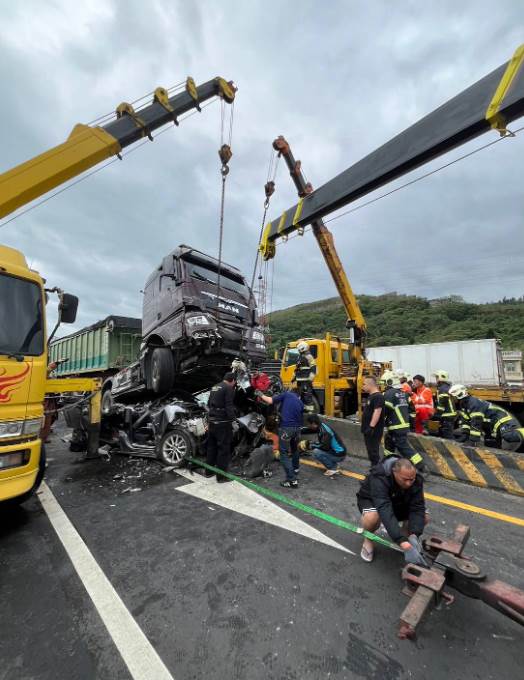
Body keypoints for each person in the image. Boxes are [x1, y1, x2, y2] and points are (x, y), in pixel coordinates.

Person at [356, 457, 428, 564]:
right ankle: (368, 539)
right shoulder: (379, 477)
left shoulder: (415, 479)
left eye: (411, 479)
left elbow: (417, 507)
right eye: (405, 479)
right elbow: (384, 507)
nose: (409, 483)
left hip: (397, 500)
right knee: (372, 517)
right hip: (373, 500)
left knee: (424, 517)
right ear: (394, 472)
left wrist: (414, 534)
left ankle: (407, 536)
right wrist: (400, 539)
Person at [449, 384, 524, 451]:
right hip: (491, 423)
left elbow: (476, 423)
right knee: (491, 443)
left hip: (501, 419)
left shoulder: (473, 403)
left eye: (453, 397)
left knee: (509, 437)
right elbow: (466, 422)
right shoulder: (463, 406)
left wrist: (473, 441)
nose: (452, 399)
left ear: (460, 395)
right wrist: (464, 435)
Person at [258, 387, 304, 488]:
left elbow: (270, 400)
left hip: (286, 429)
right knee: (294, 448)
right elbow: (301, 419)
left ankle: (292, 480)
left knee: (283, 453)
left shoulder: (287, 394)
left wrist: (260, 394)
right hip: (297, 429)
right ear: (299, 395)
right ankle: (295, 469)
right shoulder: (301, 403)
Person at [381, 370, 424, 470]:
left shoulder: (388, 394)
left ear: (389, 382)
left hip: (396, 427)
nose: (382, 385)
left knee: (404, 448)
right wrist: (412, 425)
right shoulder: (404, 394)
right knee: (389, 444)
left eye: (384, 382)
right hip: (402, 426)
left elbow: (385, 411)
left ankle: (420, 466)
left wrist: (379, 423)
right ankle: (386, 465)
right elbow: (412, 410)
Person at [206, 372, 236, 482]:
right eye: (234, 382)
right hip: (223, 423)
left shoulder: (214, 387)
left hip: (212, 421)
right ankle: (221, 477)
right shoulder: (228, 388)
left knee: (211, 447)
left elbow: (209, 404)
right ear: (232, 380)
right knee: (223, 449)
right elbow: (229, 406)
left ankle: (208, 472)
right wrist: (233, 421)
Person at [361, 376, 385, 466]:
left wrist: (371, 426)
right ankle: (374, 472)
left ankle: (377, 473)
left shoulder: (378, 397)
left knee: (373, 453)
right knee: (371, 453)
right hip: (368, 430)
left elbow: (377, 412)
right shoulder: (371, 396)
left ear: (370, 385)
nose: (362, 386)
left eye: (364, 384)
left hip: (373, 431)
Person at [293, 341, 317, 412]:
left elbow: (314, 367)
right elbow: (297, 369)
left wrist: (310, 378)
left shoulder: (309, 357)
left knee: (307, 397)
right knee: (300, 396)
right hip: (300, 381)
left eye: (299, 349)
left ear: (302, 348)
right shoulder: (300, 357)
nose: (298, 350)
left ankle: (310, 413)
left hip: (306, 381)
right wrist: (294, 377)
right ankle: (303, 411)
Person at [433, 370, 456, 439]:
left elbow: (442, 404)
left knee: (448, 434)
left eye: (437, 377)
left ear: (441, 378)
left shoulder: (442, 389)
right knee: (445, 432)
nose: (436, 379)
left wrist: (436, 414)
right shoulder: (445, 387)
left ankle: (453, 448)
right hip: (449, 414)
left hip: (447, 414)